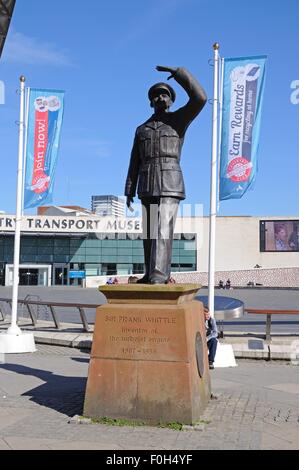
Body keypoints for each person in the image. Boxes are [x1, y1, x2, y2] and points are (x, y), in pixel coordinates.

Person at [125, 65, 207, 284]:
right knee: (150, 232)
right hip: (146, 182)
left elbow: (200, 98)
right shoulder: (141, 129)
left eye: (165, 94)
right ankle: (150, 273)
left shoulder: (179, 120)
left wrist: (179, 73)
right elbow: (134, 160)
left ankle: (159, 276)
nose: (161, 97)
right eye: (156, 95)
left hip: (170, 182)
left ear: (171, 101)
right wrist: (129, 189)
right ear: (151, 101)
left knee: (162, 229)